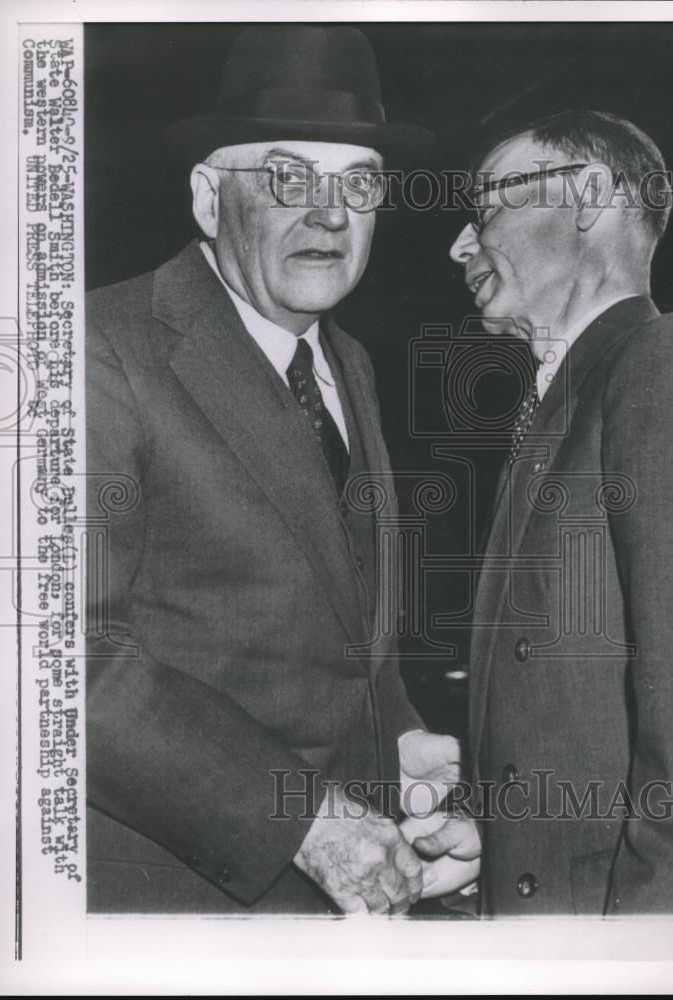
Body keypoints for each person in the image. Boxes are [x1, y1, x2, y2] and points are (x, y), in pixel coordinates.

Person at [84, 23, 462, 916]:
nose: (329, 212)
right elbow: (61, 663)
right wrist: (307, 827)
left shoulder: (352, 365)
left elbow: (340, 637)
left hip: (340, 903)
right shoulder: (102, 349)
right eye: (288, 177)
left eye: (357, 182)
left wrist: (394, 740)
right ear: (210, 200)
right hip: (178, 906)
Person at [434, 109, 673, 914]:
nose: (460, 245)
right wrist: (497, 845)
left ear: (590, 195)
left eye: (486, 204)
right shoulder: (558, 409)